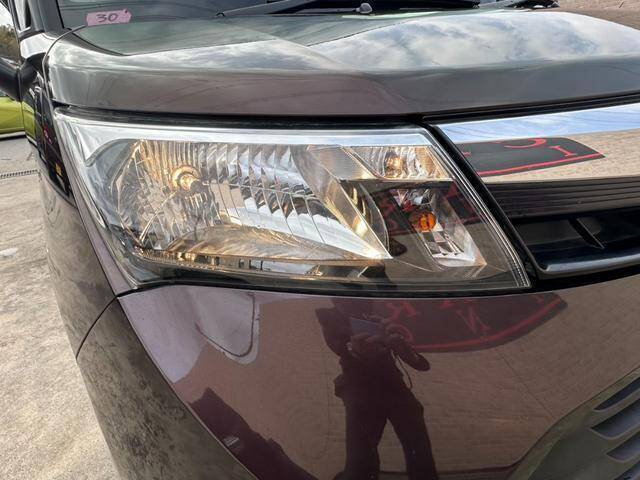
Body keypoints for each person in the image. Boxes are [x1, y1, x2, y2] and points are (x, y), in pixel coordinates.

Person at [318, 304, 439, 480]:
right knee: (361, 459)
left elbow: (421, 364)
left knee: (419, 448)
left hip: (394, 387)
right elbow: (339, 345)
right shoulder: (331, 315)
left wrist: (401, 346)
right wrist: (354, 350)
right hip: (360, 389)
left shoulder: (377, 315)